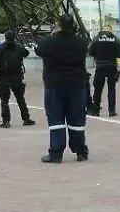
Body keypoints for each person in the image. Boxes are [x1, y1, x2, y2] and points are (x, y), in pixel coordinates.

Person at [35, 13, 90, 163]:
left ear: (58, 25)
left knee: (56, 120)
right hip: (77, 85)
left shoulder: (49, 41)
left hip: (54, 85)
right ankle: (80, 151)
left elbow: (39, 51)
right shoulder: (81, 42)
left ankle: (56, 153)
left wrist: (54, 34)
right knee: (77, 120)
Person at [0, 30, 35, 128]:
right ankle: (26, 119)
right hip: (17, 76)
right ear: (14, 37)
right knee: (20, 98)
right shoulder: (18, 47)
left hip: (3, 76)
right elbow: (26, 53)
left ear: (5, 37)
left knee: (4, 99)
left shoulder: (0, 48)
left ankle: (6, 121)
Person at [87, 25, 120, 117]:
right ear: (111, 30)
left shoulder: (96, 39)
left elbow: (90, 52)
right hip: (112, 65)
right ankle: (111, 110)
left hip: (100, 66)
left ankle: (96, 109)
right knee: (111, 88)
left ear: (102, 30)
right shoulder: (115, 39)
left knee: (98, 88)